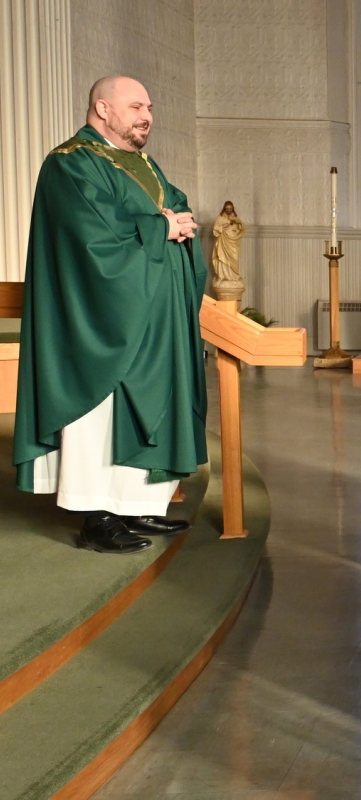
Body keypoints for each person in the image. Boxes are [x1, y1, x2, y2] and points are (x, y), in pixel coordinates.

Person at [12, 75, 205, 555]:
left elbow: (172, 205)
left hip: (149, 311)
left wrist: (173, 221)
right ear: (102, 109)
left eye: (150, 107)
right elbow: (89, 238)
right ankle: (95, 515)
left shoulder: (140, 162)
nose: (148, 116)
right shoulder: (70, 164)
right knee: (98, 412)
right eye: (137, 106)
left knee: (141, 406)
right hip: (99, 314)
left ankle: (131, 503)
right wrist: (161, 225)